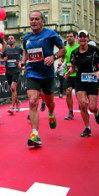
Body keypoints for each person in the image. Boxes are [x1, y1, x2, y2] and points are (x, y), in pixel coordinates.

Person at [19, 11, 66, 147]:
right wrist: (22, 62)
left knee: (49, 102)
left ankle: (51, 114)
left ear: (42, 21)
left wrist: (53, 57)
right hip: (32, 73)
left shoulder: (50, 34)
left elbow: (63, 50)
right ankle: (34, 134)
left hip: (47, 74)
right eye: (31, 19)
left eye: (36, 19)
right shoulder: (26, 37)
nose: (33, 21)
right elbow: (25, 52)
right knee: (33, 101)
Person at [66, 30, 99, 137]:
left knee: (92, 107)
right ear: (78, 39)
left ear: (88, 38)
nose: (82, 39)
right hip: (80, 79)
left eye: (84, 37)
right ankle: (87, 127)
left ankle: (96, 112)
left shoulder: (94, 50)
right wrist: (69, 72)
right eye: (80, 37)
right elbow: (73, 68)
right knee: (82, 104)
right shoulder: (75, 53)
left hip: (92, 79)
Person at [59, 31, 79, 120]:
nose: (69, 38)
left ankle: (81, 104)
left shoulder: (78, 47)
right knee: (68, 92)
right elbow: (62, 58)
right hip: (68, 74)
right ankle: (70, 112)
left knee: (80, 93)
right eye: (67, 36)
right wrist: (60, 62)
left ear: (75, 37)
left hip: (78, 74)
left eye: (71, 36)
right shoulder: (65, 48)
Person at [2, 35, 23, 115]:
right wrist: (3, 59)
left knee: (13, 88)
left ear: (15, 40)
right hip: (8, 71)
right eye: (9, 39)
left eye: (12, 38)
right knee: (13, 89)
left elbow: (25, 55)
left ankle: (12, 107)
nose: (10, 40)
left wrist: (21, 63)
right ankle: (17, 102)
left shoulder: (18, 49)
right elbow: (1, 58)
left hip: (16, 71)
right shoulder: (6, 49)